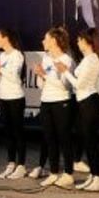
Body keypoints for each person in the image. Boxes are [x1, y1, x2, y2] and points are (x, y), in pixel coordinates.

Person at [57, 28, 99, 192]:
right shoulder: (87, 59)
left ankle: (98, 178)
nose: (77, 43)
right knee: (87, 141)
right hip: (84, 102)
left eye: (79, 40)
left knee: (92, 142)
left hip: (90, 102)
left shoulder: (92, 59)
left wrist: (65, 71)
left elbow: (79, 85)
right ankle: (93, 175)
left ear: (86, 42)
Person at [33, 27, 76, 189]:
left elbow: (65, 85)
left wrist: (44, 75)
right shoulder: (46, 58)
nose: (42, 41)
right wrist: (40, 76)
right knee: (49, 138)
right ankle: (53, 172)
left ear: (54, 41)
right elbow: (41, 85)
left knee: (64, 138)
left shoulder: (66, 60)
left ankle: (68, 173)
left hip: (61, 102)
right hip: (46, 101)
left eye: (45, 39)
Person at [0, 28, 27, 180]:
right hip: (3, 97)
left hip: (15, 98)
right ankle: (11, 163)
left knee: (18, 132)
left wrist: (0, 67)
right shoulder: (2, 55)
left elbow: (14, 78)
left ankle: (21, 165)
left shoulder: (17, 55)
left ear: (6, 38)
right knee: (8, 132)